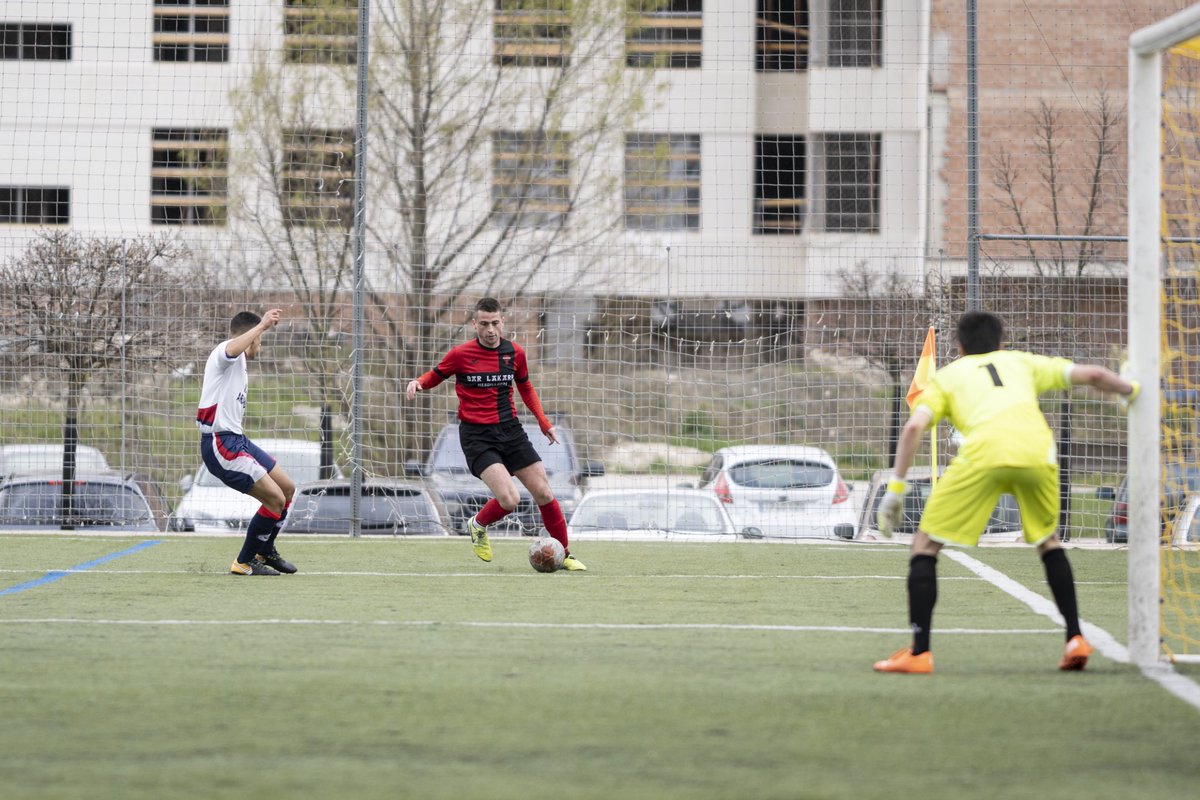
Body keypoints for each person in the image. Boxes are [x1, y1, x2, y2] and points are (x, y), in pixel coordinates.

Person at [873, 310, 1138, 674]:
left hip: (983, 456)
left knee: (925, 546)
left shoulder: (948, 376)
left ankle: (919, 653)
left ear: (959, 346)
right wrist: (1131, 391)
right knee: (1049, 542)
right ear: (1001, 343)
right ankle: (1075, 637)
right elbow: (1093, 375)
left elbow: (913, 428)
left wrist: (896, 488)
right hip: (1037, 455)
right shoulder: (1021, 362)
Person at [405, 297, 586, 571]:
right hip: (477, 436)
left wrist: (543, 422)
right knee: (510, 500)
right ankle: (477, 524)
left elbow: (526, 389)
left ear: (503, 321)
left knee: (544, 493)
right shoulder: (460, 354)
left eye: (494, 323)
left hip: (511, 431)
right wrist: (418, 382)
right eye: (484, 324)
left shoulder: (515, 353)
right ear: (474, 324)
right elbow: (436, 375)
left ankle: (565, 554)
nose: (490, 330)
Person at [196, 309, 297, 576]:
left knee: (287, 489)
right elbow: (231, 348)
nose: (259, 347)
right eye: (259, 341)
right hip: (220, 443)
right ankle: (244, 562)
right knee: (274, 499)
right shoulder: (223, 354)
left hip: (237, 439)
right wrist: (262, 326)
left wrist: (260, 329)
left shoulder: (240, 364)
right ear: (250, 336)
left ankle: (265, 551)